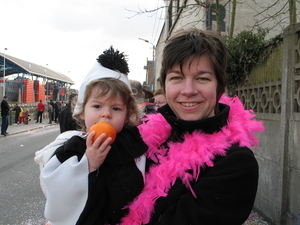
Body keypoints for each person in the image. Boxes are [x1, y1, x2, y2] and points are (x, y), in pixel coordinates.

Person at [120, 29, 264, 225]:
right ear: (166, 85)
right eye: (177, 78)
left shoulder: (236, 164)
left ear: (219, 87)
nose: (188, 91)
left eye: (202, 78)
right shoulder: (148, 140)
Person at [34, 46, 147, 225]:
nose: (106, 114)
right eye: (97, 106)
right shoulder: (72, 147)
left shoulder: (134, 145)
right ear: (81, 112)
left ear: (127, 114)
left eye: (116, 108)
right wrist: (88, 164)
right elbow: (57, 197)